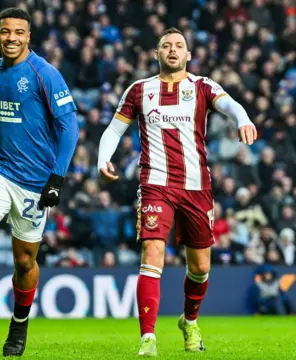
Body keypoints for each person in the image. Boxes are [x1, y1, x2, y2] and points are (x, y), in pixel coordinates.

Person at [96, 27, 257, 356]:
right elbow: (113, 130)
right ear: (157, 54)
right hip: (155, 184)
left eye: (179, 45)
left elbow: (232, 105)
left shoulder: (201, 86)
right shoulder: (140, 90)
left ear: (188, 55)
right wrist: (103, 159)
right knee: (152, 255)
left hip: (197, 187)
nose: (172, 50)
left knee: (199, 268)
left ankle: (189, 320)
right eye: (166, 45)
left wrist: (243, 118)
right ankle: (147, 338)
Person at [0, 7, 78, 358]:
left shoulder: (45, 73)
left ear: (29, 36)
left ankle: (19, 324)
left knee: (24, 261)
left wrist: (57, 178)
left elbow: (69, 127)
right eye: (6, 31)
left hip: (35, 181)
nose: (11, 38)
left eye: (19, 32)